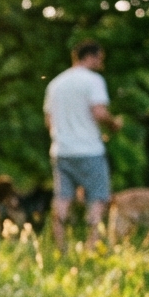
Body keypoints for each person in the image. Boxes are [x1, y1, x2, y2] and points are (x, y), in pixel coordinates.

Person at [44, 39, 123, 253]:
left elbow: (49, 121)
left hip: (61, 151)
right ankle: (92, 247)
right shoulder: (93, 80)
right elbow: (99, 112)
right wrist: (114, 124)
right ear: (90, 56)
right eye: (100, 59)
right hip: (90, 150)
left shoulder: (55, 84)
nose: (101, 64)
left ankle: (60, 248)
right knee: (97, 199)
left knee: (62, 199)